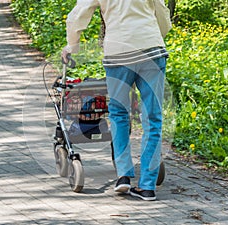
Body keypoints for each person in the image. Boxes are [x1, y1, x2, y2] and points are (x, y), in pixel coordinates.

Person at [62, 0, 172, 201]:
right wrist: (157, 36)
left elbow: (78, 14)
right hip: (151, 49)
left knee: (119, 114)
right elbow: (162, 12)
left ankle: (123, 176)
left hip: (118, 53)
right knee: (152, 118)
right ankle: (147, 187)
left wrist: (72, 45)